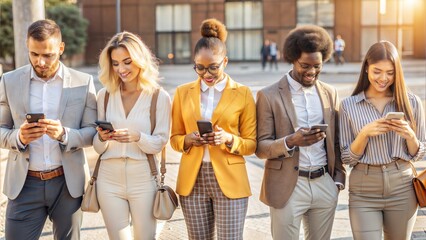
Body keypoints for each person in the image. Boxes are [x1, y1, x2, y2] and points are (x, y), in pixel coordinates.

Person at [0, 19, 97, 240]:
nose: (40, 62)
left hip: (67, 184)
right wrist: (18, 137)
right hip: (24, 185)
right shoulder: (9, 80)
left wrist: (65, 134)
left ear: (60, 49)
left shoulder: (83, 82)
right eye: (34, 54)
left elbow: (92, 131)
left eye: (48, 55)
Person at [256, 25, 346, 240]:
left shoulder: (329, 93)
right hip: (287, 188)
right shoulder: (268, 95)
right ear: (292, 59)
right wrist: (290, 141)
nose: (311, 71)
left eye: (317, 66)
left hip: (324, 183)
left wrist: (337, 180)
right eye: (305, 65)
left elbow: (336, 142)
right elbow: (260, 147)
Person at [170, 18, 256, 240]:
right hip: (193, 179)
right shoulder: (182, 92)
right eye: (199, 67)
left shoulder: (243, 93)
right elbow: (174, 139)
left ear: (225, 61)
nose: (206, 74)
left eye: (213, 67)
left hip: (230, 179)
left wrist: (228, 138)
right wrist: (188, 140)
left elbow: (251, 143)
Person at [339, 40, 425, 240]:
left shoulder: (411, 102)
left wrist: (410, 136)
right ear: (367, 68)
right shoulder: (348, 106)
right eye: (377, 71)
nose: (383, 78)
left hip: (402, 186)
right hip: (364, 189)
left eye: (390, 72)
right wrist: (364, 134)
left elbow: (420, 152)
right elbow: (346, 157)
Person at [93, 31, 171, 239]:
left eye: (127, 62)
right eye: (116, 63)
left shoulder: (158, 97)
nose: (121, 69)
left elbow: (161, 142)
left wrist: (138, 137)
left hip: (143, 178)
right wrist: (102, 137)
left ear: (140, 60)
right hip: (108, 178)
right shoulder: (104, 95)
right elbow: (98, 147)